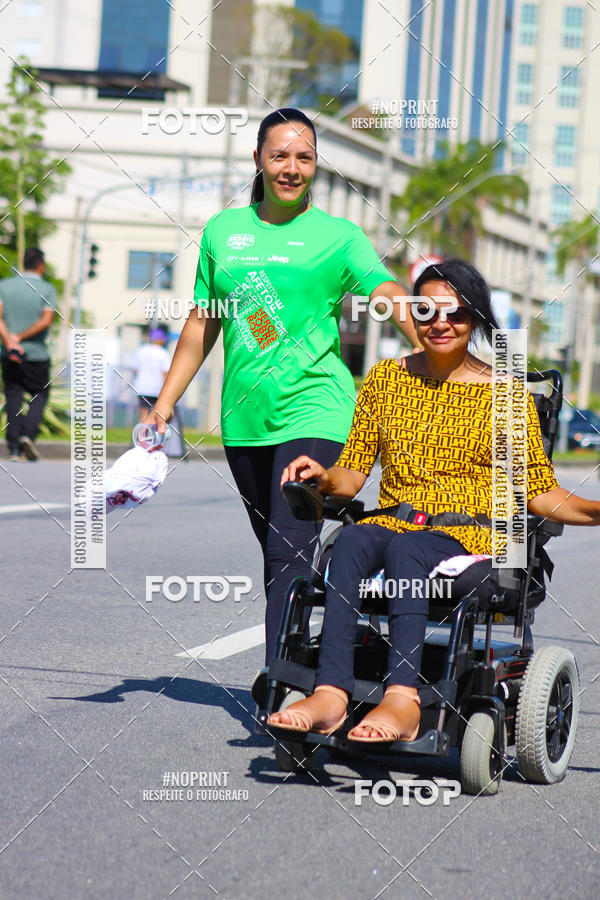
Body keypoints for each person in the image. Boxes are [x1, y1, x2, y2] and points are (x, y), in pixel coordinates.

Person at [268, 258, 600, 743]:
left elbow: (537, 492)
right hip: (393, 523)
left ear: (477, 320)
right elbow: (353, 473)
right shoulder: (385, 380)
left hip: (468, 538)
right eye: (426, 311)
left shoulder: (504, 394)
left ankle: (402, 700)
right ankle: (332, 693)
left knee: (410, 551)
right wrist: (322, 477)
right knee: (352, 541)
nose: (440, 323)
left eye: (456, 313)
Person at [145, 107, 419, 664]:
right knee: (280, 554)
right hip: (246, 420)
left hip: (318, 408)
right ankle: (338, 623)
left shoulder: (338, 237)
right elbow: (203, 321)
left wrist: (434, 342)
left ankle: (282, 684)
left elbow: (385, 292)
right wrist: (165, 404)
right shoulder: (224, 232)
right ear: (259, 160)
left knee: (285, 549)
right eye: (280, 156)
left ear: (315, 165)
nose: (291, 168)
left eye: (304, 157)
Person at [0, 247, 57, 461]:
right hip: (37, 355)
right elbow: (46, 321)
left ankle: (14, 448)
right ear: (41, 265)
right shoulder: (47, 289)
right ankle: (28, 436)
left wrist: (10, 341)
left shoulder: (4, 286)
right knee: (39, 394)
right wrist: (22, 338)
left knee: (13, 395)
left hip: (10, 353)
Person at [132, 328, 171, 421]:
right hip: (157, 389)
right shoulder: (163, 353)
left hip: (142, 388)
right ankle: (151, 434)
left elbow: (135, 370)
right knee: (157, 414)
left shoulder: (141, 350)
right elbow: (165, 373)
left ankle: (141, 433)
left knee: (143, 413)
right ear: (160, 339)